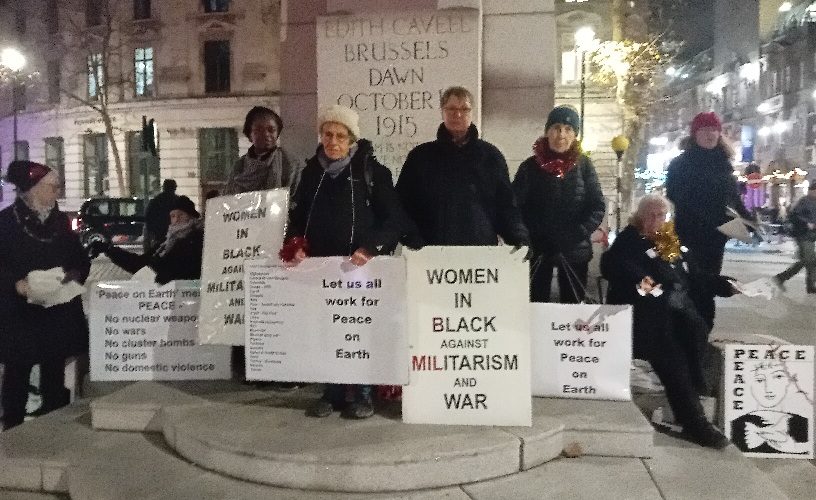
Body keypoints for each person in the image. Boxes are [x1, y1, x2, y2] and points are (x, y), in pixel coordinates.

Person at [280, 104, 404, 419]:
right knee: (327, 330)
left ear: (352, 139)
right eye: (328, 134)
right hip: (321, 272)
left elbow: (393, 221)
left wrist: (370, 248)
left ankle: (362, 394)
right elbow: (296, 217)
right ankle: (332, 392)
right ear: (320, 136)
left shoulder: (372, 173)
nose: (333, 141)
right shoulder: (310, 173)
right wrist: (296, 244)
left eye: (340, 135)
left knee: (358, 332)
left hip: (359, 269)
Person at [601, 194, 739, 449]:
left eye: (662, 215)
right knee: (674, 362)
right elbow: (622, 271)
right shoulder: (629, 242)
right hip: (644, 321)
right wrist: (656, 293)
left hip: (676, 319)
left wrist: (725, 285)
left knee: (692, 353)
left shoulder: (670, 243)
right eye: (651, 215)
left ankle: (690, 409)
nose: (657, 220)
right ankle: (695, 423)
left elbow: (693, 277)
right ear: (639, 217)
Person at [0, 161, 91, 430]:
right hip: (20, 313)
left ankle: (53, 428)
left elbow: (79, 258)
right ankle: (13, 430)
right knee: (17, 373)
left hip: (56, 311)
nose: (57, 193)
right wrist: (15, 284)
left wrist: (73, 275)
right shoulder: (5, 222)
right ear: (33, 190)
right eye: (52, 187)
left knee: (54, 373)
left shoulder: (61, 221)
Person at [396, 86, 529, 247]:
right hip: (431, 253)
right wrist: (411, 238)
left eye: (464, 109)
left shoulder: (491, 156)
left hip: (480, 253)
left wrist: (518, 237)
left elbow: (506, 205)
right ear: (442, 112)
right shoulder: (420, 157)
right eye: (451, 108)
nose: (457, 114)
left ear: (472, 113)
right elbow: (402, 204)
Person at [666, 111, 753, 329]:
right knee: (690, 283)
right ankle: (687, 331)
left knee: (709, 284)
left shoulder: (723, 164)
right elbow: (675, 195)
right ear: (695, 134)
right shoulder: (681, 164)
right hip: (688, 234)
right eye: (705, 130)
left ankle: (702, 332)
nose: (710, 134)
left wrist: (749, 220)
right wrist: (710, 216)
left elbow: (732, 197)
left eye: (714, 130)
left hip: (715, 238)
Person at [512, 105, 605, 303]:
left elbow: (597, 207)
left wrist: (575, 233)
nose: (561, 134)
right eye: (556, 127)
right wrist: (531, 236)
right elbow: (515, 208)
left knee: (573, 311)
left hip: (574, 250)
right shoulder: (529, 167)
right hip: (538, 250)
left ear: (575, 135)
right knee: (535, 307)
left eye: (568, 129)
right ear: (547, 131)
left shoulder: (585, 166)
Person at [89, 196, 204, 285]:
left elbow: (165, 271)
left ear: (191, 217)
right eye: (173, 216)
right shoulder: (166, 242)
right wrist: (109, 249)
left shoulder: (196, 240)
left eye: (181, 215)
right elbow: (141, 263)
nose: (176, 219)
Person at [730, 359, 810, 455]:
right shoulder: (735, 426)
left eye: (778, 377)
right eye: (759, 380)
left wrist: (793, 448)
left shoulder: (805, 424)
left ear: (789, 381)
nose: (768, 388)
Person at [224, 106, 298, 195]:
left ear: (277, 133)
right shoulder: (239, 167)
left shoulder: (289, 164)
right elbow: (228, 199)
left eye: (271, 130)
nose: (266, 134)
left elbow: (296, 199)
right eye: (258, 130)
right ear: (250, 134)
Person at [773, 183, 816, 293]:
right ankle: (781, 277)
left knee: (811, 261)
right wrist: (807, 223)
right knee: (806, 260)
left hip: (811, 235)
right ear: (811, 190)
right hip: (803, 235)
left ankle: (810, 285)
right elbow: (794, 216)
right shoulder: (804, 201)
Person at [144, 179, 178, 254]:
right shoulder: (179, 201)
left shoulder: (155, 201)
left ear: (164, 188)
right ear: (174, 188)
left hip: (158, 235)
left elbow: (148, 219)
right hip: (176, 236)